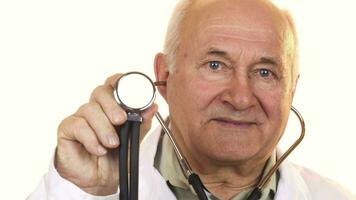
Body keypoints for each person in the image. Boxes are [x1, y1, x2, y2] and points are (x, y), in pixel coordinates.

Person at [28, 0, 355, 199]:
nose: (240, 98)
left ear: (292, 89)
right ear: (164, 76)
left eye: (265, 72)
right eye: (215, 65)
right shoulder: (91, 187)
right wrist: (76, 191)